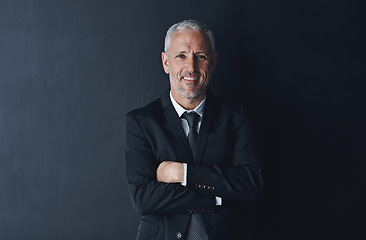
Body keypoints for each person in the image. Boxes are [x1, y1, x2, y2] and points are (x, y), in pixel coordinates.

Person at [125, 20, 262, 240]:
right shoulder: (141, 122)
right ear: (166, 62)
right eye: (181, 56)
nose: (191, 67)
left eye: (201, 56)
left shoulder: (236, 116)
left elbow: (250, 183)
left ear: (213, 63)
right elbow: (143, 199)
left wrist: (183, 173)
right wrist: (218, 196)